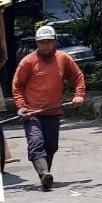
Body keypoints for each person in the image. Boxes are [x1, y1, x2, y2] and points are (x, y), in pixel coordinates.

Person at [12, 24, 86, 191]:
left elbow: (78, 76)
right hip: (32, 112)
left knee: (51, 145)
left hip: (53, 111)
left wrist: (78, 95)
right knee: (36, 142)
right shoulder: (28, 62)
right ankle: (44, 173)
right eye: (41, 42)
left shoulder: (63, 59)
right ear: (36, 43)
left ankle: (45, 175)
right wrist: (21, 106)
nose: (45, 46)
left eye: (48, 42)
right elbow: (17, 85)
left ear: (55, 42)